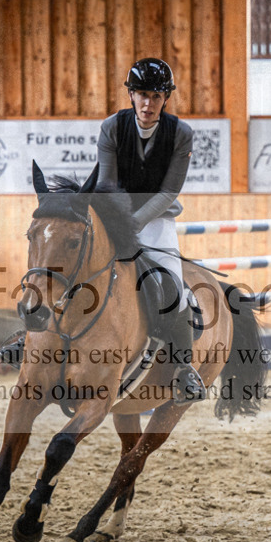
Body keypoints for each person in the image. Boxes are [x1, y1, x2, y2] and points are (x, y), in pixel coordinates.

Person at [96, 57, 204, 404]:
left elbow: (169, 191)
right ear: (130, 95)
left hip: (157, 221)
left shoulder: (181, 133)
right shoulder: (112, 127)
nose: (148, 103)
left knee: (172, 283)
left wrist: (135, 223)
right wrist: (118, 222)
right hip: (115, 214)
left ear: (166, 98)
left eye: (156, 96)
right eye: (141, 94)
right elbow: (106, 182)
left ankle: (184, 368)